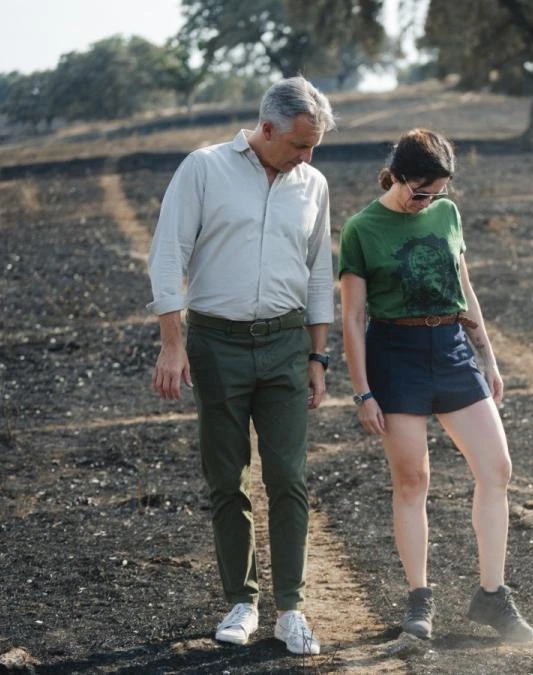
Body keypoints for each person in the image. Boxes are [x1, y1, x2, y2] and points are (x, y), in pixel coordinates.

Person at [146, 76, 335, 656]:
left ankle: (291, 609)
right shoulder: (203, 169)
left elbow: (318, 272)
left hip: (284, 344)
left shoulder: (313, 184)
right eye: (300, 145)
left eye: (314, 147)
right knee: (228, 478)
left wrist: (318, 354)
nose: (307, 157)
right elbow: (168, 254)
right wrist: (172, 343)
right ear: (268, 127)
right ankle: (242, 602)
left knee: (288, 478)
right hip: (215, 344)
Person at [339, 128, 533, 643]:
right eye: (420, 191)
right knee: (413, 482)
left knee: (497, 468)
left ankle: (493, 597)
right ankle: (419, 600)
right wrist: (362, 391)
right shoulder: (362, 227)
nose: (428, 201)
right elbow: (353, 316)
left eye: (438, 192)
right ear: (398, 176)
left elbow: (464, 288)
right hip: (395, 358)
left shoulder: (447, 214)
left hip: (451, 349)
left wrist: (487, 357)